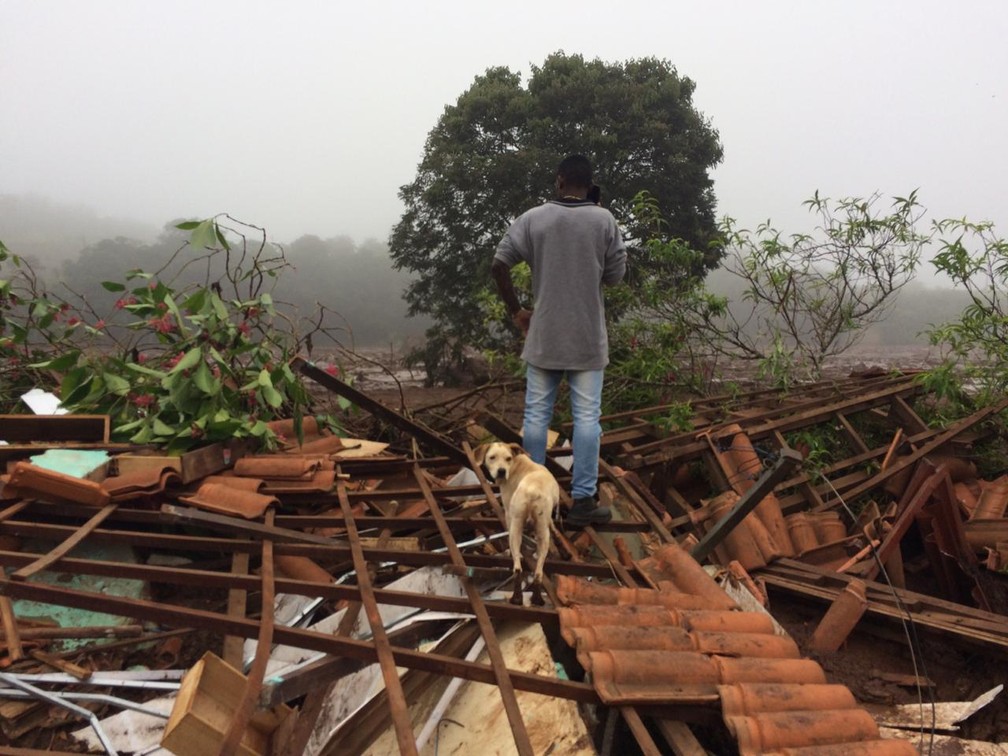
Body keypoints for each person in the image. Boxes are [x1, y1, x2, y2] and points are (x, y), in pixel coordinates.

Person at [491, 154, 627, 528]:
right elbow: (616, 276)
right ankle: (583, 502)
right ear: (590, 184)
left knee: (536, 416)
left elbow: (498, 264)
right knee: (587, 420)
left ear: (560, 181)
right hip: (586, 338)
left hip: (544, 335)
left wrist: (517, 311)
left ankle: (528, 493)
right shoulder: (604, 220)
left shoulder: (534, 218)